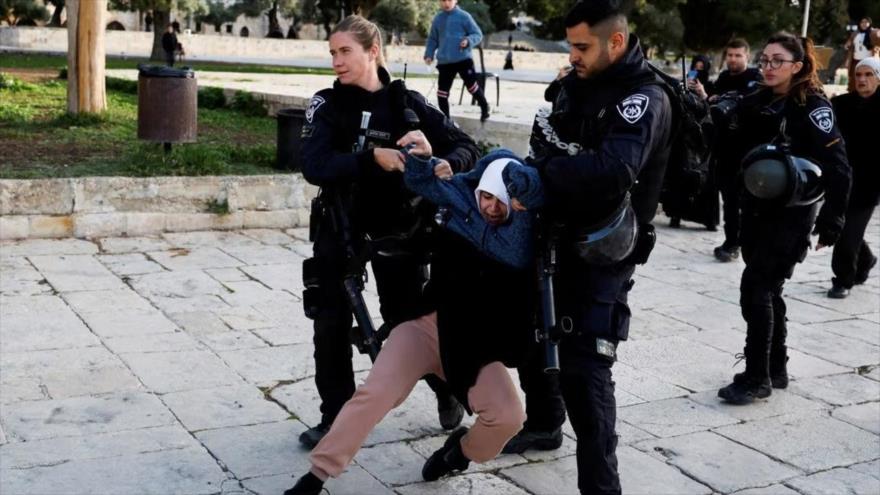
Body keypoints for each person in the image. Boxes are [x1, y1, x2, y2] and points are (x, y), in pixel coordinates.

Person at [284, 148, 543, 495]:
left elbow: (533, 213)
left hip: (472, 348)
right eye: (486, 197)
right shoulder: (458, 208)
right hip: (427, 328)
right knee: (375, 394)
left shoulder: (521, 240)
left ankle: (458, 453)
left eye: (501, 202)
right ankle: (315, 477)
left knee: (508, 417)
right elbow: (423, 178)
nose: (492, 208)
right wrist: (423, 155)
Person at [297, 15, 479, 450]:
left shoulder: (409, 104)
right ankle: (335, 418)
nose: (337, 61)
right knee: (329, 323)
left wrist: (443, 160)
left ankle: (447, 389)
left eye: (345, 51)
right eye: (333, 53)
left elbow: (468, 147)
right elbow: (314, 164)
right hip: (339, 229)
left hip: (399, 231)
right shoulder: (325, 104)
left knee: (409, 324)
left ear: (372, 50)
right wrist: (369, 158)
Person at [520, 2, 674, 493]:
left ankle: (602, 487)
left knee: (587, 369)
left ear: (615, 42)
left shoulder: (644, 98)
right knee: (536, 337)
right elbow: (543, 143)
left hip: (606, 247)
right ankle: (544, 423)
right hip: (554, 233)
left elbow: (611, 172)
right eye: (570, 45)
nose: (573, 56)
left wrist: (541, 175)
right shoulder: (575, 86)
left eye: (582, 46)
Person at [717, 32, 851, 405]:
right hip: (757, 209)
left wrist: (833, 220)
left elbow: (840, 168)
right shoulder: (760, 97)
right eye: (765, 59)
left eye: (778, 61)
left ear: (798, 66)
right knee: (768, 290)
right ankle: (776, 367)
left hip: (791, 215)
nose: (769, 67)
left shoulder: (812, 106)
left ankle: (757, 377)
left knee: (755, 289)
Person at [704, 39, 764, 262]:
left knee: (748, 202)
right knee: (729, 200)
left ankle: (747, 242)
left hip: (748, 151)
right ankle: (732, 242)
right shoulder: (723, 78)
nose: (733, 59)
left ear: (747, 57)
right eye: (729, 55)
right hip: (725, 149)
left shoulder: (756, 79)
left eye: (738, 55)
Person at [828, 57, 879, 298]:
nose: (862, 79)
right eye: (858, 75)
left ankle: (843, 280)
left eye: (868, 75)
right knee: (844, 230)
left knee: (848, 232)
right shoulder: (840, 104)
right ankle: (866, 259)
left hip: (869, 184)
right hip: (841, 178)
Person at [424, 0, 491, 122]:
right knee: (442, 93)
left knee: (472, 87)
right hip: (445, 62)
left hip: (463, 59)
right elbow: (433, 39)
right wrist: (429, 54)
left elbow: (477, 34)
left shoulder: (464, 16)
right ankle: (446, 120)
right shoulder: (438, 19)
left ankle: (484, 107)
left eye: (449, 0)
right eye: (443, 0)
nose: (446, 3)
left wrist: (468, 40)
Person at [845, 17, 878, 92]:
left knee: (869, 79)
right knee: (854, 80)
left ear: (869, 23)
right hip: (856, 61)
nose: (864, 24)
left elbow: (878, 37)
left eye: (866, 22)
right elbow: (848, 45)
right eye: (862, 22)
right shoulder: (855, 33)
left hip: (869, 62)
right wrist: (847, 45)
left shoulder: (873, 32)